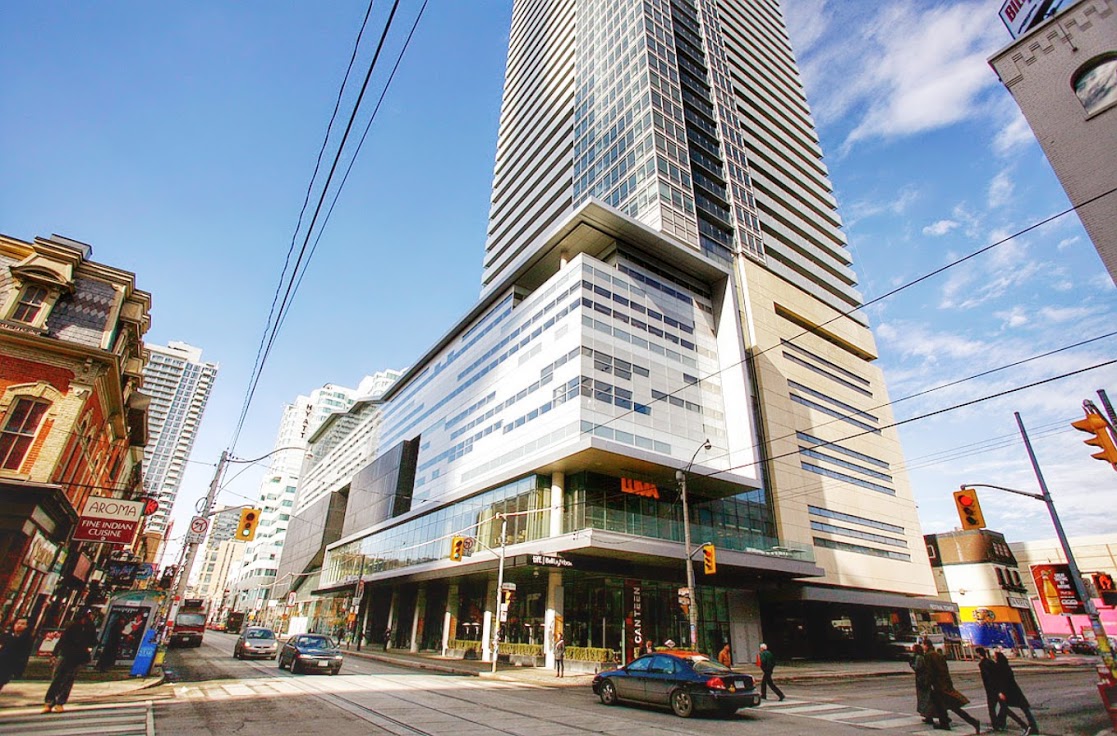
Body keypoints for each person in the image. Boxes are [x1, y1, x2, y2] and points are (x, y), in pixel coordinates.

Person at [43, 610, 98, 714]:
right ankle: (49, 702)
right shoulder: (72, 626)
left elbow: (94, 641)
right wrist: (54, 654)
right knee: (57, 678)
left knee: (69, 679)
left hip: (78, 656)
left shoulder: (90, 627)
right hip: (66, 654)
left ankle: (60, 702)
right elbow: (62, 640)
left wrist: (87, 647)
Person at [924, 642, 981, 733]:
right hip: (944, 684)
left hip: (938, 686)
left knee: (949, 706)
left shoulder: (928, 656)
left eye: (924, 645)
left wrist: (927, 683)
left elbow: (929, 671)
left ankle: (973, 722)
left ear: (926, 646)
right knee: (943, 706)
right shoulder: (939, 655)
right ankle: (944, 723)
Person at [994, 649, 1038, 735]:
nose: (994, 658)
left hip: (1009, 691)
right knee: (1013, 707)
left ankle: (1031, 726)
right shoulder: (1005, 666)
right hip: (1013, 690)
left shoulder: (999, 667)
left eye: (995, 657)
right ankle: (1001, 723)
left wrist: (1000, 692)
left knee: (1019, 707)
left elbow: (1001, 681)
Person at [0, 617, 34, 691]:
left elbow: (24, 655)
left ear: (27, 626)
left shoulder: (27, 639)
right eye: (17, 623)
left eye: (22, 624)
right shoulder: (5, 636)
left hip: (9, 665)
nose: (19, 625)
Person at [910, 642, 935, 724]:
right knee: (926, 698)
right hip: (923, 679)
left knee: (924, 698)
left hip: (922, 680)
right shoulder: (922, 656)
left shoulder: (919, 657)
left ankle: (928, 716)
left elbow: (917, 668)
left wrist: (912, 664)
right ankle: (928, 716)